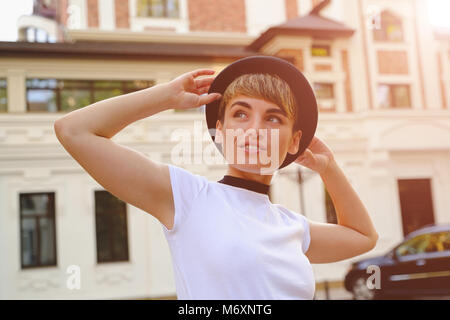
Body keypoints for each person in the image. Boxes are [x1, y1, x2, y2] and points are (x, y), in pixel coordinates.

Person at [54, 60, 379, 300]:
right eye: (240, 113)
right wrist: (166, 97)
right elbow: (74, 131)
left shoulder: (291, 226)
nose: (254, 129)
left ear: (294, 142)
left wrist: (329, 168)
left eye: (273, 117)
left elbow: (362, 236)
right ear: (220, 131)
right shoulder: (187, 197)